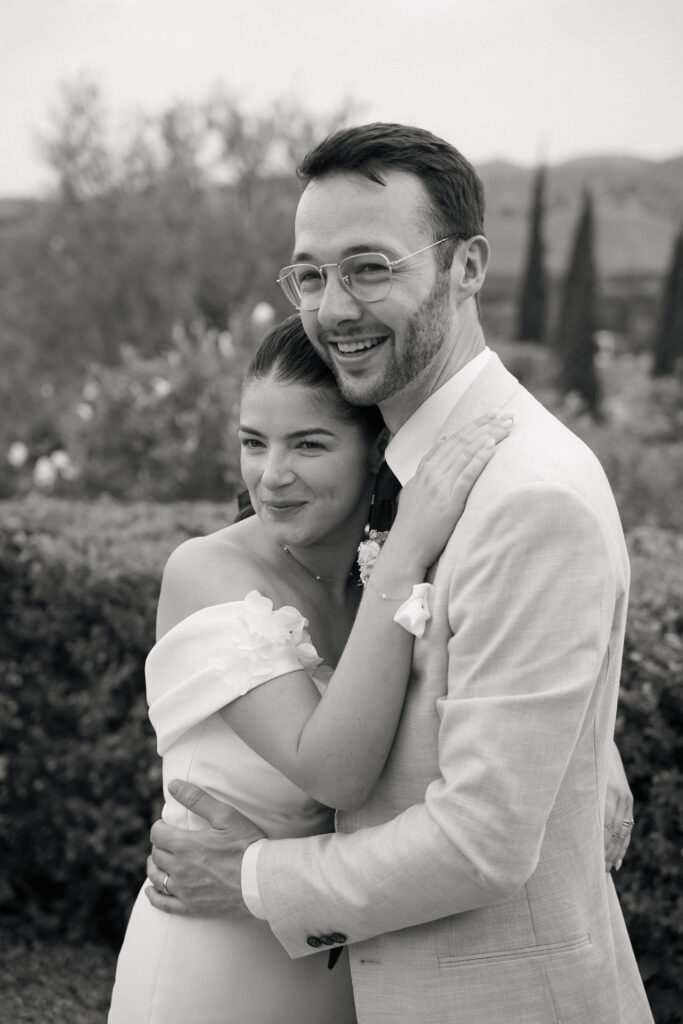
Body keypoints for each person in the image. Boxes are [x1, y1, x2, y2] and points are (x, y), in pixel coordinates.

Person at [147, 124, 652, 1023]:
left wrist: (254, 876)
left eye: (370, 268)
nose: (334, 307)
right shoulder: (396, 472)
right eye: (311, 274)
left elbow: (481, 842)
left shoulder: (525, 495)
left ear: (467, 267)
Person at [108, 314, 512, 1023]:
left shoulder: (385, 576)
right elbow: (334, 773)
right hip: (210, 958)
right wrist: (407, 550)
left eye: (309, 444)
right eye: (253, 442)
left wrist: (591, 745)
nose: (271, 475)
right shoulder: (207, 571)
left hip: (346, 958)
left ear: (376, 451)